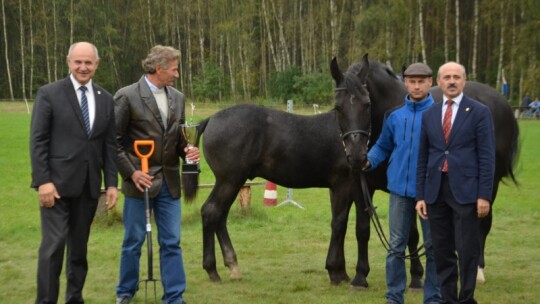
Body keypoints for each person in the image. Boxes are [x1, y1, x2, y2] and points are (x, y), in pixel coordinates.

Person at [30, 41, 118, 303]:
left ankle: (74, 298)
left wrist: (111, 183)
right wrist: (43, 181)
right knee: (53, 247)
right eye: (78, 62)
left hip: (88, 187)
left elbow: (109, 145)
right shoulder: (49, 93)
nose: (83, 67)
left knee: (78, 251)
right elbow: (38, 140)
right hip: (55, 188)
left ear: (96, 65)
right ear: (68, 62)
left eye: (88, 62)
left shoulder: (106, 99)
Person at [114, 45, 200, 304]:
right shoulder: (126, 96)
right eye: (174, 69)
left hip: (170, 184)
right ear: (159, 68)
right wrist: (132, 174)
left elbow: (178, 141)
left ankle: (174, 296)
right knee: (133, 241)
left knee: (172, 242)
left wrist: (189, 151)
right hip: (140, 183)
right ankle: (125, 292)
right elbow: (114, 144)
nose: (177, 75)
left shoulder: (178, 97)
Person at [416, 62, 495, 304]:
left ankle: (466, 298)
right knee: (442, 250)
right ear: (438, 82)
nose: (451, 81)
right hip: (435, 192)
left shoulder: (480, 112)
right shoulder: (429, 114)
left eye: (456, 77)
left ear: (464, 81)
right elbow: (423, 156)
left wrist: (484, 195)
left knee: (467, 250)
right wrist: (420, 195)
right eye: (447, 77)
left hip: (467, 192)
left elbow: (487, 157)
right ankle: (448, 299)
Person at [364, 63, 441, 304]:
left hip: (431, 194)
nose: (416, 86)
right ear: (405, 83)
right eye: (411, 81)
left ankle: (434, 298)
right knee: (395, 247)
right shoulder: (394, 116)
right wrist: (368, 162)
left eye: (421, 81)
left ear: (430, 83)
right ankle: (394, 297)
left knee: (433, 249)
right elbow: (383, 146)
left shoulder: (440, 115)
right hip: (398, 191)